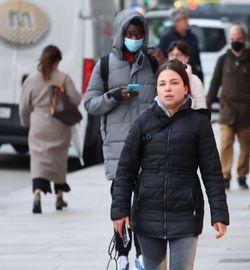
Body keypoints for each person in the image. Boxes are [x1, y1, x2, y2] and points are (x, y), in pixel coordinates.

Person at [111, 60, 229, 270]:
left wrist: (219, 213)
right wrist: (119, 211)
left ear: (185, 87)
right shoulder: (143, 121)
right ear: (156, 88)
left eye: (174, 83)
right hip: (148, 213)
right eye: (162, 83)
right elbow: (125, 170)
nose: (168, 88)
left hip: (186, 213)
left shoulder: (199, 123)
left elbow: (212, 172)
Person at [84, 9, 164, 270]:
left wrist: (163, 65)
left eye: (139, 34)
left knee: (145, 204)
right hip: (118, 148)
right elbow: (90, 104)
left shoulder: (151, 63)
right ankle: (121, 255)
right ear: (120, 34)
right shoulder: (105, 65)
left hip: (149, 146)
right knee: (121, 204)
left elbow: (168, 97)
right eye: (130, 34)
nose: (135, 38)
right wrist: (115, 96)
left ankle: (143, 255)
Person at [19, 45, 81, 214]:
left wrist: (25, 123)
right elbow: (76, 99)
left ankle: (37, 193)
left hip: (39, 125)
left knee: (38, 161)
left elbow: (24, 106)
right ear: (56, 61)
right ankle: (59, 197)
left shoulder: (31, 79)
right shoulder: (63, 78)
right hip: (60, 126)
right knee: (59, 161)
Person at [206, 25, 250, 190]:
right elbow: (214, 84)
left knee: (245, 146)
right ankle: (225, 175)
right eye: (232, 39)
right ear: (229, 40)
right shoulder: (223, 60)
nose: (235, 42)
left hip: (245, 111)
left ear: (244, 39)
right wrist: (206, 106)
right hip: (227, 110)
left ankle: (242, 176)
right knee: (226, 143)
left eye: (238, 39)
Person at [158, 7, 204, 82]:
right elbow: (161, 62)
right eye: (184, 18)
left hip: (192, 78)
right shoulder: (166, 39)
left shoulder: (193, 38)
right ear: (176, 21)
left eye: (187, 18)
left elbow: (197, 61)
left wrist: (200, 78)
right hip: (173, 79)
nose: (187, 21)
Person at [167, 41, 207, 111]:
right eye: (171, 54)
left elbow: (201, 107)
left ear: (186, 58)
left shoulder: (195, 80)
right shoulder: (163, 77)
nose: (174, 58)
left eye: (178, 55)